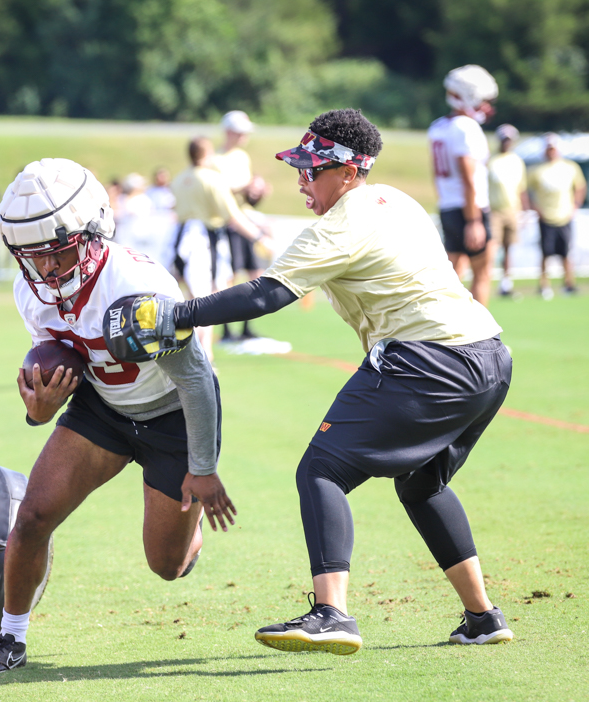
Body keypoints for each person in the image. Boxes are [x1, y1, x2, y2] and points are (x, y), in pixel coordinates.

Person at [114, 109, 515, 655]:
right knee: (423, 484)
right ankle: (483, 617)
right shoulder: (394, 199)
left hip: (429, 360)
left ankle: (332, 614)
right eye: (299, 168)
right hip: (490, 357)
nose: (302, 179)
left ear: (350, 171)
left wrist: (176, 314)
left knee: (321, 469)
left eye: (313, 169)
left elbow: (265, 296)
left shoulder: (342, 222)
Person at [0, 158, 236, 675]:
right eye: (31, 256)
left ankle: (187, 536)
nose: (46, 270)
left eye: (57, 252)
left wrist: (201, 467)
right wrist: (39, 412)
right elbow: (57, 367)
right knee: (32, 518)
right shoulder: (31, 291)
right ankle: (10, 639)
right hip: (103, 408)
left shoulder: (135, 282)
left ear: (92, 231)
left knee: (167, 565)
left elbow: (198, 380)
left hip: (171, 414)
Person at [171, 137, 268, 355]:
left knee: (193, 298)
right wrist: (260, 236)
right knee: (206, 302)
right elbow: (233, 216)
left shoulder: (179, 179)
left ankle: (205, 354)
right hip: (203, 240)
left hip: (181, 238)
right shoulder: (212, 179)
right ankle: (202, 357)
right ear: (206, 154)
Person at [428, 65, 498, 307]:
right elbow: (468, 177)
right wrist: (474, 220)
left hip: (448, 206)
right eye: (483, 100)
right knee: (482, 274)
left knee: (452, 277)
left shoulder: (438, 126)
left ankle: (444, 339)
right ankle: (482, 341)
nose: (486, 106)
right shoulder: (466, 127)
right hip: (470, 208)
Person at [216, 110, 270, 340]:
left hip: (246, 219)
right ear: (229, 132)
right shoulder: (215, 159)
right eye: (240, 132)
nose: (244, 137)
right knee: (230, 276)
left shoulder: (242, 157)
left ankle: (247, 327)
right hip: (229, 223)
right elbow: (219, 193)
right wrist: (245, 187)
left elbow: (246, 197)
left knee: (254, 273)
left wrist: (257, 191)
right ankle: (227, 329)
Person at [527, 134, 587, 299]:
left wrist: (575, 206)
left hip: (565, 215)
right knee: (546, 253)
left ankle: (569, 283)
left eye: (553, 148)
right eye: (548, 148)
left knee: (566, 252)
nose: (551, 151)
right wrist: (534, 208)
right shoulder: (536, 170)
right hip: (545, 217)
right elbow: (525, 191)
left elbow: (581, 187)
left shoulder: (570, 167)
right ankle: (544, 285)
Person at [488, 125, 529, 296]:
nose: (506, 143)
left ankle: (505, 284)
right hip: (494, 210)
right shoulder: (490, 160)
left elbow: (522, 189)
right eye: (504, 139)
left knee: (508, 248)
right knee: (491, 248)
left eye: (509, 140)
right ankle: (486, 281)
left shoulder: (517, 161)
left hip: (513, 210)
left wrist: (525, 211)